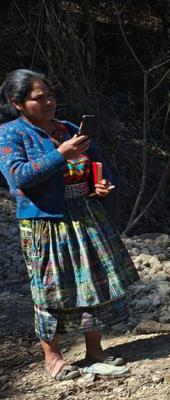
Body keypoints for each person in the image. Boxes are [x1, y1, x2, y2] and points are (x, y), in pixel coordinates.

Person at [0, 69, 139, 381]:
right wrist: (60, 154)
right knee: (50, 289)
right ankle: (53, 357)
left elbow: (94, 164)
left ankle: (95, 351)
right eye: (39, 98)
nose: (49, 102)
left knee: (91, 284)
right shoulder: (10, 135)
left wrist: (99, 186)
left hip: (85, 215)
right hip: (45, 223)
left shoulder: (68, 128)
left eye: (51, 95)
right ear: (17, 102)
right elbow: (18, 178)